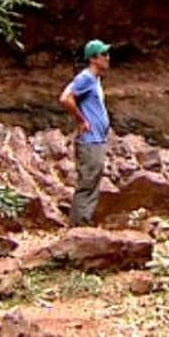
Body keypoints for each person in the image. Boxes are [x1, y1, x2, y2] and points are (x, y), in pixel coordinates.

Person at [59, 39, 112, 226]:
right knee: (88, 183)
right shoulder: (86, 78)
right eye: (104, 55)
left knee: (92, 181)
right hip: (90, 140)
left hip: (97, 139)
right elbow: (66, 98)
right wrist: (81, 120)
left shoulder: (93, 79)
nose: (108, 58)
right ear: (93, 59)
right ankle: (79, 225)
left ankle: (82, 222)